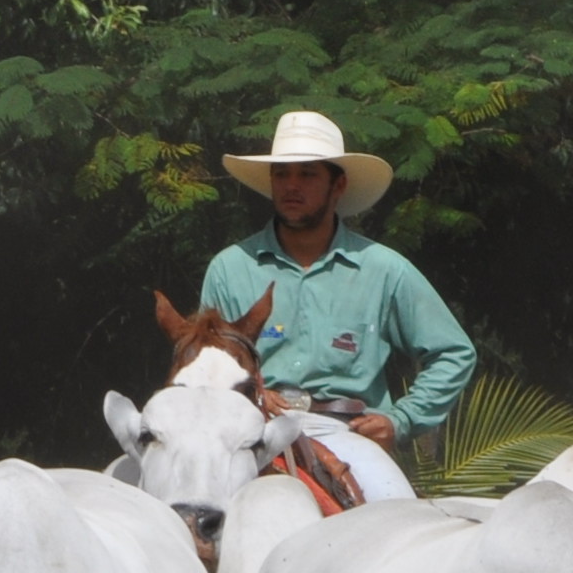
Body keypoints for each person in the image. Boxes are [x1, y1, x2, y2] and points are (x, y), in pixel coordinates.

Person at [196, 108, 477, 477]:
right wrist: (257, 397)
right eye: (282, 174)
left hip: (352, 435)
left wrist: (401, 420)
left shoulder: (384, 269)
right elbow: (205, 367)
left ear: (338, 185)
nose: (291, 185)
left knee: (388, 515)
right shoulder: (230, 268)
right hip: (255, 436)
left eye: (308, 174)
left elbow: (454, 352)